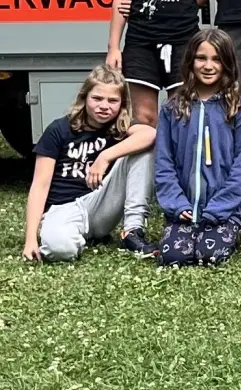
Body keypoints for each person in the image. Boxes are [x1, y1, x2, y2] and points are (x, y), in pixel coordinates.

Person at [105, 0, 215, 255]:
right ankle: (133, 223)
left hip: (184, 43)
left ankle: (182, 211)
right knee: (145, 125)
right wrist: (114, 45)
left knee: (184, 123)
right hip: (141, 42)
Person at [21, 66, 156, 262]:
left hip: (101, 204)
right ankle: (70, 235)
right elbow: (39, 186)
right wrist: (30, 239)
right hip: (64, 208)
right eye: (97, 98)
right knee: (60, 250)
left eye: (113, 101)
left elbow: (150, 134)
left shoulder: (120, 128)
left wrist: (105, 157)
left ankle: (132, 231)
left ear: (122, 104)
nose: (104, 106)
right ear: (84, 98)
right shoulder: (59, 129)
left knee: (144, 149)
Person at [153, 29, 241, 267]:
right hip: (184, 210)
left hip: (224, 212)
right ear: (191, 61)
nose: (208, 66)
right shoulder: (171, 109)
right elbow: (164, 163)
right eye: (201, 58)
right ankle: (184, 226)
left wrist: (220, 207)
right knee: (173, 257)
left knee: (209, 255)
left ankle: (222, 227)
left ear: (227, 63)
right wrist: (177, 204)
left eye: (217, 59)